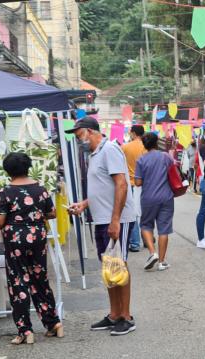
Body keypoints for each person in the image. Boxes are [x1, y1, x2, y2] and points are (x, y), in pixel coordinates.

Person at [65, 116, 137, 335]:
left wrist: (115, 219)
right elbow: (103, 187)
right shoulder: (95, 155)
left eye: (79, 136)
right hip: (102, 217)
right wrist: (85, 204)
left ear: (90, 131)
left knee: (118, 265)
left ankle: (126, 316)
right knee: (109, 267)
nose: (78, 140)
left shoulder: (110, 150)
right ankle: (114, 314)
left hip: (116, 219)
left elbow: (121, 185)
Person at [0, 153, 63, 345]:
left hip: (15, 239)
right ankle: (53, 323)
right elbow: (51, 213)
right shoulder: (40, 188)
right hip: (37, 237)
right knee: (40, 279)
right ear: (28, 167)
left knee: (18, 281)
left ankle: (25, 330)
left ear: (8, 171)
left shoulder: (6, 191)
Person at [135, 132, 174, 271]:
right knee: (164, 229)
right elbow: (173, 172)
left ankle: (153, 253)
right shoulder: (166, 157)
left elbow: (138, 182)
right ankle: (162, 262)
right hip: (166, 197)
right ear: (157, 143)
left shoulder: (141, 160)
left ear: (144, 145)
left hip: (148, 198)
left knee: (146, 225)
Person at [122, 125, 146, 252]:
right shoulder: (146, 147)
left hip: (131, 183)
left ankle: (135, 243)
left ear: (133, 133)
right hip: (145, 184)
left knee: (132, 214)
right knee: (145, 213)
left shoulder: (125, 147)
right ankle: (148, 239)